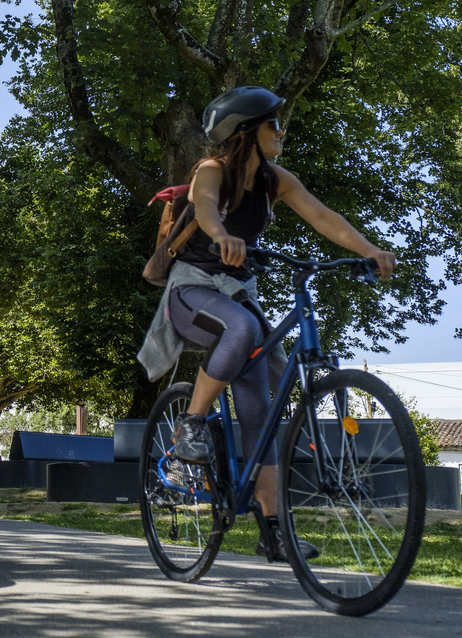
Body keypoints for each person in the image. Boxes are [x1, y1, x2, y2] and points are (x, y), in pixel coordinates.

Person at [137, 86, 396, 562]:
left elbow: (324, 216)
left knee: (262, 418)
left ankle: (273, 532)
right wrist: (220, 236)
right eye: (272, 123)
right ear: (245, 132)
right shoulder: (211, 170)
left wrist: (368, 250)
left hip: (237, 294)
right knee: (244, 329)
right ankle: (191, 425)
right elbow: (208, 206)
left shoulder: (276, 180)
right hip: (191, 291)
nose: (281, 130)